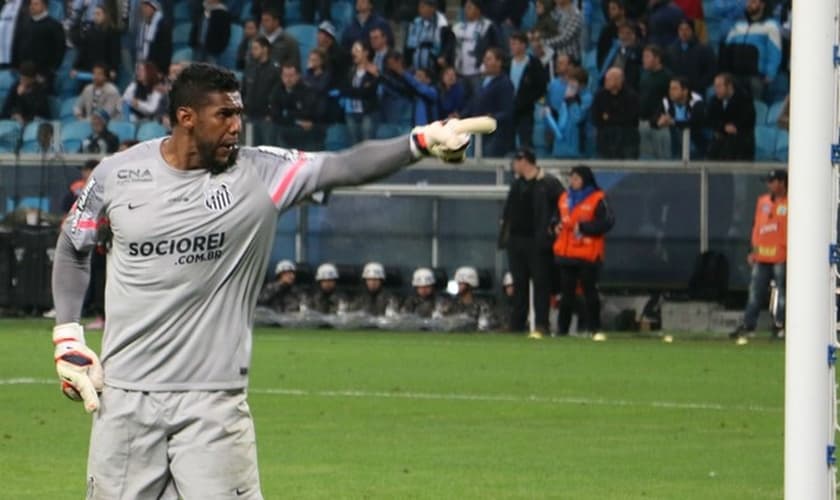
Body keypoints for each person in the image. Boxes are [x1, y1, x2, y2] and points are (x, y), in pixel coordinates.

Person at [50, 62, 490, 498]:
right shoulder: (117, 174)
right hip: (125, 400)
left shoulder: (262, 173)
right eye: (224, 114)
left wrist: (420, 141)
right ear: (187, 117)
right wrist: (67, 337)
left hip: (212, 404)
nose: (237, 126)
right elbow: (73, 246)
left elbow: (345, 165)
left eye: (239, 113)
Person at [498, 148, 563, 337]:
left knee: (541, 283)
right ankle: (517, 323)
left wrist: (554, 226)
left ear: (524, 161)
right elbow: (509, 210)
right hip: (516, 241)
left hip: (538, 241)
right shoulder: (517, 185)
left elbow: (563, 204)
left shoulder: (548, 183)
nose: (513, 166)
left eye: (516, 162)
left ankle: (542, 324)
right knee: (519, 283)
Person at [553, 166, 615, 340]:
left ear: (585, 180)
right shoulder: (564, 198)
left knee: (590, 293)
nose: (573, 182)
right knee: (566, 294)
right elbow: (556, 217)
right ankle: (562, 330)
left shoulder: (598, 198)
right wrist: (554, 226)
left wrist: (585, 228)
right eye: (571, 178)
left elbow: (608, 221)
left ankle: (594, 329)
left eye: (576, 179)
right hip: (566, 253)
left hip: (588, 253)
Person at [731, 170, 787, 343]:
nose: (768, 185)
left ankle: (781, 325)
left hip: (781, 255)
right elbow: (757, 227)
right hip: (762, 255)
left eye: (772, 181)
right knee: (755, 292)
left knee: (783, 293)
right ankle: (749, 325)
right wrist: (752, 250)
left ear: (782, 182)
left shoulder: (793, 202)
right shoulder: (763, 201)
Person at [718, 0, 781, 99]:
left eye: (753, 2)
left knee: (755, 107)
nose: (749, 4)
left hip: (756, 77)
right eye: (748, 2)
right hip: (735, 76)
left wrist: (770, 74)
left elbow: (775, 52)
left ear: (762, 4)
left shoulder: (771, 25)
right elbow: (727, 48)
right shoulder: (738, 25)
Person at [462, 47, 514, 157]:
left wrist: (493, 117)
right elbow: (473, 103)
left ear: (499, 62)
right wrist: (460, 115)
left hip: (494, 135)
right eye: (485, 59)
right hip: (476, 131)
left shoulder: (505, 83)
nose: (485, 62)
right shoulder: (480, 81)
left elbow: (507, 111)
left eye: (489, 59)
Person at [269, 63, 325, 150]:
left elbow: (308, 113)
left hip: (307, 138)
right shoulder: (277, 91)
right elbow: (275, 115)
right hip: (285, 137)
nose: (288, 79)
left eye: (291, 75)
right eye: (285, 75)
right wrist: (296, 121)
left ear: (298, 76)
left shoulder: (307, 91)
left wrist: (287, 114)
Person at [452, 0, 501, 97]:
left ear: (478, 10)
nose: (466, 10)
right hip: (460, 72)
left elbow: (496, 47)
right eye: (465, 7)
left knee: (478, 100)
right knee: (463, 101)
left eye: (470, 7)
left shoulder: (488, 26)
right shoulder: (458, 27)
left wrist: (486, 65)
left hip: (479, 72)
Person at [14, 0, 65, 91]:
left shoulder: (54, 25)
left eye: (36, 4)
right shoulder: (26, 24)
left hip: (43, 74)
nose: (32, 6)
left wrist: (51, 70)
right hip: (25, 73)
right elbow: (19, 45)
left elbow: (60, 50)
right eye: (31, 4)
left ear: (45, 6)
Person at [509, 31, 547, 150]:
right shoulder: (507, 63)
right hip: (509, 108)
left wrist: (527, 100)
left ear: (523, 45)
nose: (512, 46)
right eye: (511, 44)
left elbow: (541, 87)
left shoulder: (534, 64)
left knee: (525, 141)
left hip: (526, 109)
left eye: (515, 43)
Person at [705, 72, 755, 160]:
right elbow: (710, 120)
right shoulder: (714, 101)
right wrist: (724, 127)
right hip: (720, 139)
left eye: (719, 86)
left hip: (741, 140)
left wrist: (734, 127)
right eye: (715, 86)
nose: (716, 89)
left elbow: (748, 120)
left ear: (729, 86)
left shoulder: (744, 99)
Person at [592, 67, 640, 159]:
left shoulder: (631, 96)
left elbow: (629, 119)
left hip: (626, 140)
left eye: (609, 79)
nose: (605, 81)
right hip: (605, 141)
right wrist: (612, 118)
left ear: (619, 80)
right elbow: (596, 118)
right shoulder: (600, 96)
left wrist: (608, 118)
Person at [653, 76, 705, 158]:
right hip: (674, 139)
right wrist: (659, 122)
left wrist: (673, 122)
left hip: (694, 140)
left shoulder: (696, 101)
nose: (671, 92)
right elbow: (653, 120)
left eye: (675, 89)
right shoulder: (667, 101)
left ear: (685, 91)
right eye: (670, 88)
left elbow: (695, 123)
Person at [638, 44, 673, 159]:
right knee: (646, 158)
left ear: (657, 59)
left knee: (663, 159)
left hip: (660, 124)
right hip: (644, 122)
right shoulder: (644, 77)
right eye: (643, 57)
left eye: (647, 57)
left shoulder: (667, 77)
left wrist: (664, 116)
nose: (644, 60)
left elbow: (671, 100)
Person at [243, 36, 279, 147]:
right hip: (250, 115)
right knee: (250, 148)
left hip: (266, 117)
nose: (252, 51)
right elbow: (244, 90)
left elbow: (276, 95)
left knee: (267, 149)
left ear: (265, 49)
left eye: (255, 48)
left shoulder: (274, 70)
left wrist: (271, 113)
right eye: (252, 48)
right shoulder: (250, 67)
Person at [665, 18, 716, 95]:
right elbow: (668, 69)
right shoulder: (671, 50)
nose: (683, 32)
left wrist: (700, 84)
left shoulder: (704, 49)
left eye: (687, 29)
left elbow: (711, 70)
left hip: (697, 91)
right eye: (681, 29)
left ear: (692, 31)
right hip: (677, 90)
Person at [70, 5, 121, 81]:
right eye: (94, 14)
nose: (95, 16)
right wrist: (75, 67)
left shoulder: (112, 32)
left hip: (105, 72)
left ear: (105, 15)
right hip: (89, 70)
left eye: (98, 14)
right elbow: (83, 51)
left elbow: (114, 52)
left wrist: (113, 69)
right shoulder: (90, 31)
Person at [342, 41, 379, 144]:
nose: (353, 53)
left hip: (367, 112)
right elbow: (345, 90)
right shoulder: (350, 71)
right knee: (353, 142)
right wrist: (359, 91)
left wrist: (356, 91)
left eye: (357, 50)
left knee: (367, 141)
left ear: (366, 53)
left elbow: (368, 92)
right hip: (351, 112)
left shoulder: (373, 71)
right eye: (353, 50)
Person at [404, 0, 453, 75]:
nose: (420, 9)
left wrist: (444, 56)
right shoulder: (415, 23)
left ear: (432, 8)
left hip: (433, 70)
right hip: (415, 70)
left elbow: (448, 44)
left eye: (423, 7)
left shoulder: (441, 24)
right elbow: (408, 47)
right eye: (419, 7)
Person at [135, 0, 172, 76]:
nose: (143, 9)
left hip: (157, 69)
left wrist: (160, 70)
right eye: (142, 6)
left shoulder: (163, 25)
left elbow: (165, 51)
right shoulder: (144, 25)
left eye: (146, 6)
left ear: (153, 7)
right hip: (144, 67)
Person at [318, 21, 351, 88]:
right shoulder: (321, 50)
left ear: (327, 37)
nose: (317, 36)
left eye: (320, 34)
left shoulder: (338, 54)